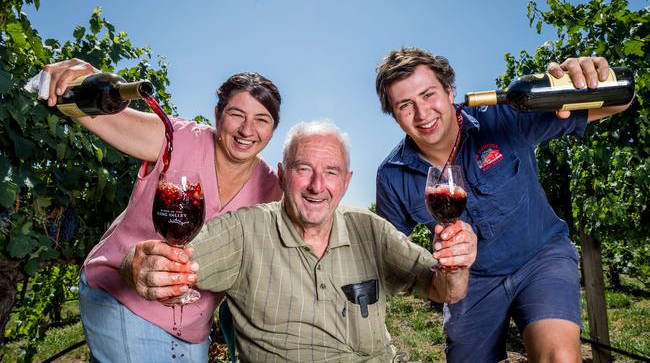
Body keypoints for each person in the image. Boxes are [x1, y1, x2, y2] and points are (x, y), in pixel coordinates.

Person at [120, 121, 478, 362]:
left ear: (347, 181)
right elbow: (167, 262)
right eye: (303, 168)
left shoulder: (370, 229)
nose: (316, 185)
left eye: (331, 172)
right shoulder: (246, 231)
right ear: (282, 174)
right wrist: (138, 264)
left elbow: (444, 289)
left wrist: (456, 266)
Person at [374, 48, 632, 362]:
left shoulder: (506, 115)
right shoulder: (392, 176)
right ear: (394, 114)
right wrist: (444, 279)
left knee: (558, 357)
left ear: (450, 91)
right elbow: (396, 263)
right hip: (472, 283)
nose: (422, 113)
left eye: (428, 94)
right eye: (405, 105)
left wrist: (591, 77)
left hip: (540, 258)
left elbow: (620, 100)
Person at [38, 58, 284, 362]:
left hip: (194, 326)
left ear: (273, 129)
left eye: (262, 120)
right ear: (218, 114)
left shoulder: (272, 189)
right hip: (122, 298)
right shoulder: (176, 138)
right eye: (237, 114)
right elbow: (99, 114)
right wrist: (74, 83)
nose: (248, 129)